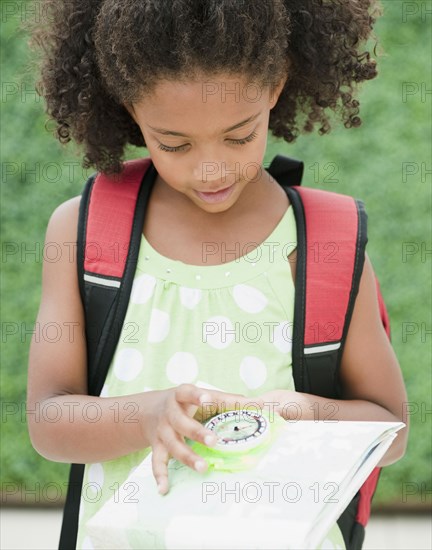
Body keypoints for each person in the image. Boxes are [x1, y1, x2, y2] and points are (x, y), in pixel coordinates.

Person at [27, 1, 408, 549]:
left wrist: (306, 413)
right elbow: (48, 420)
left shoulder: (324, 244)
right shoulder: (84, 233)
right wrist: (147, 417)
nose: (210, 170)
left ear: (275, 86)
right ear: (130, 107)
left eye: (238, 136)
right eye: (174, 144)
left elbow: (389, 430)